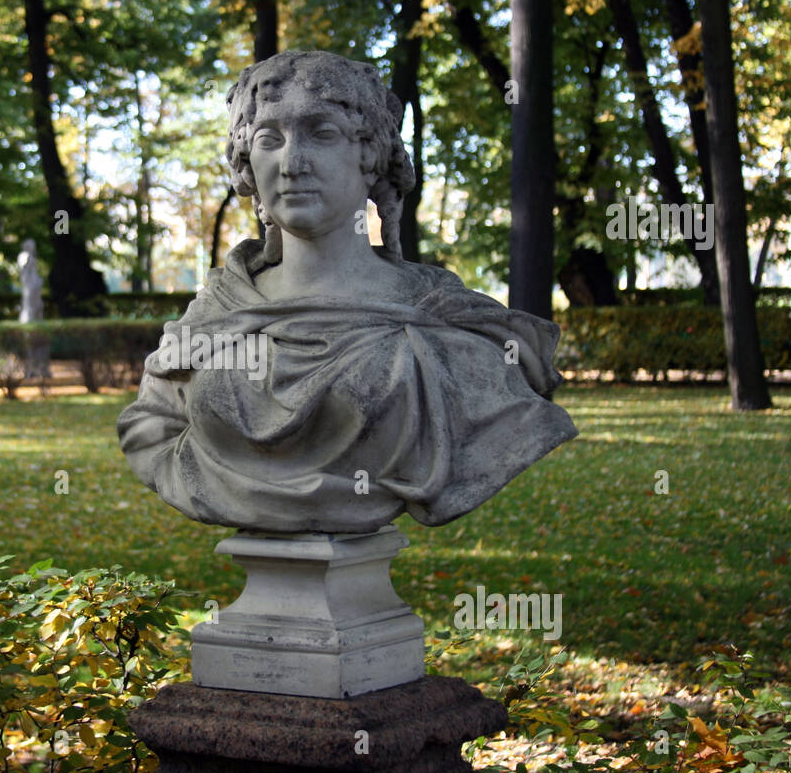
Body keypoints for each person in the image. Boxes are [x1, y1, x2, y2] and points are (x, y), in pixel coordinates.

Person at [117, 50, 578, 533]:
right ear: (247, 161)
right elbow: (151, 429)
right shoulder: (214, 317)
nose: (292, 163)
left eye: (322, 133)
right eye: (269, 138)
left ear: (370, 153)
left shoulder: (451, 330)